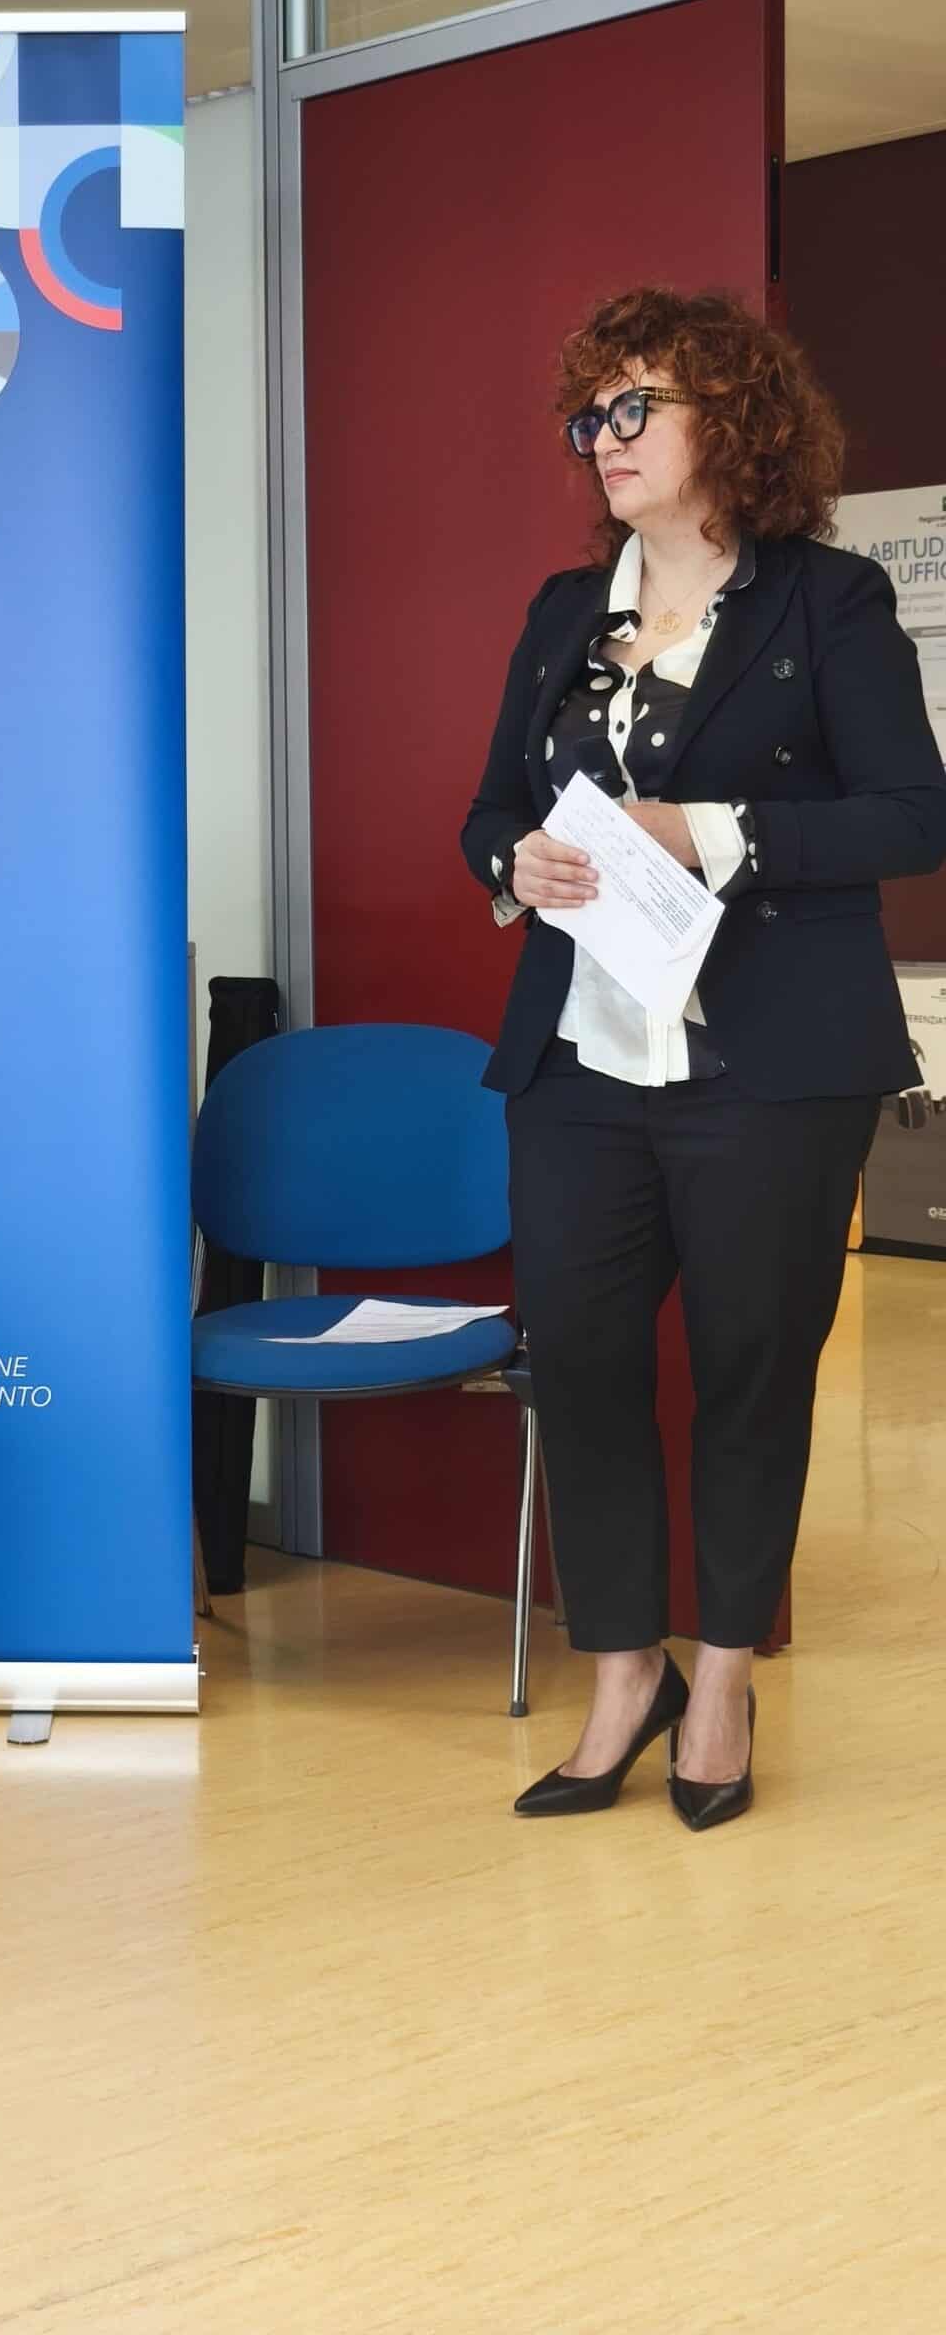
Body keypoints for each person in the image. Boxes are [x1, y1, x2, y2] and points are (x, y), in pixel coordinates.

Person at [462, 287, 946, 1830]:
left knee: (750, 1375)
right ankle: (627, 1675)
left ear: (728, 420)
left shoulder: (827, 602)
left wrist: (711, 831)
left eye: (633, 407)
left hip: (769, 1068)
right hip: (579, 1065)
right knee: (583, 1369)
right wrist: (513, 864)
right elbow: (489, 809)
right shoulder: (564, 610)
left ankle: (722, 1679)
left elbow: (914, 816)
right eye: (587, 415)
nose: (600, 439)